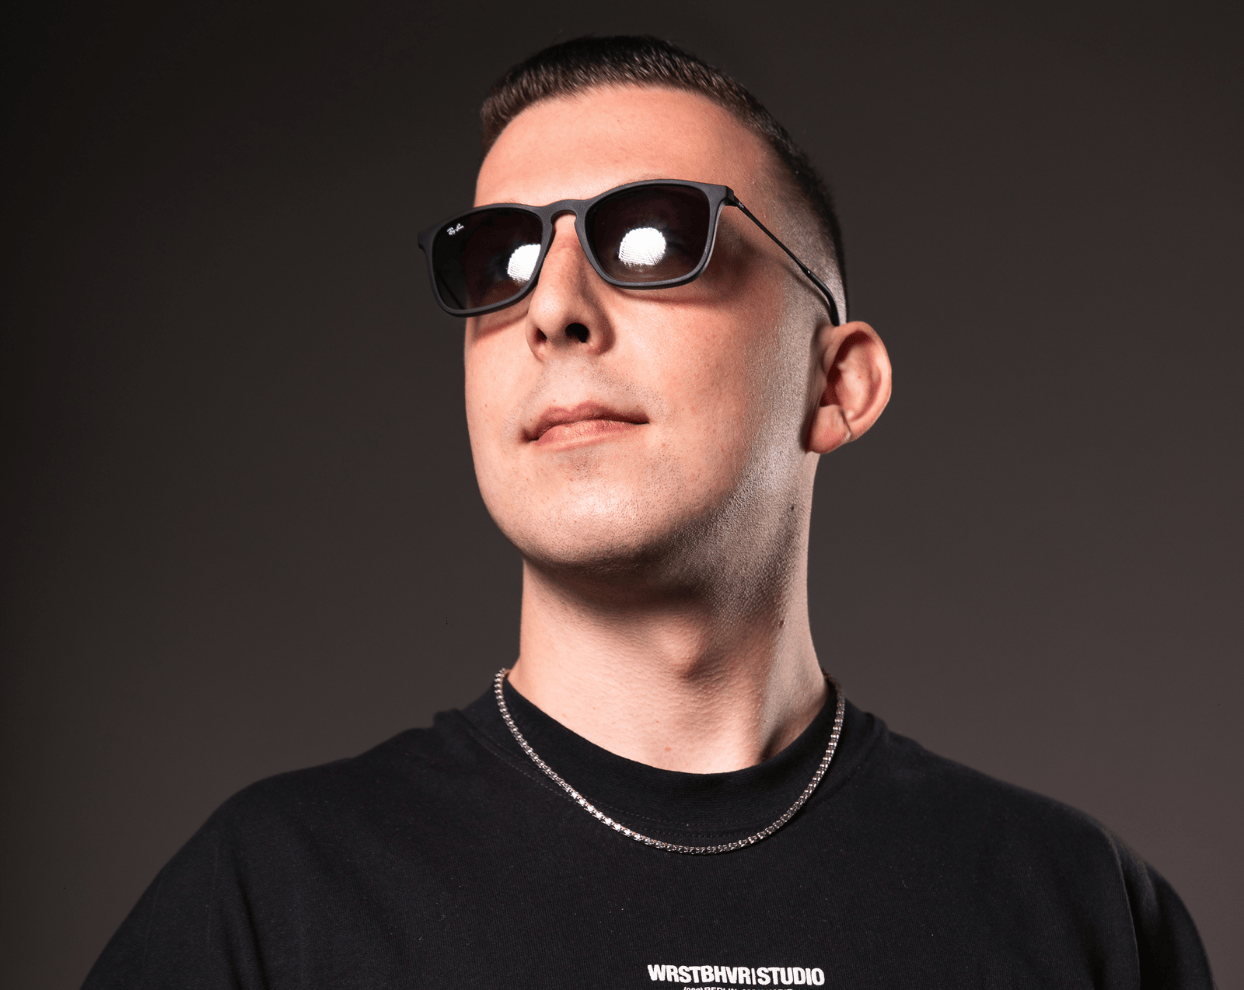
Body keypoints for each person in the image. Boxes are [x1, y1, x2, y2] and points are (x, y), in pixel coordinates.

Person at [83, 35, 1214, 989]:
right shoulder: (272, 900)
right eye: (499, 261)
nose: (553, 309)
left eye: (654, 239)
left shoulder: (1082, 912)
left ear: (836, 383)